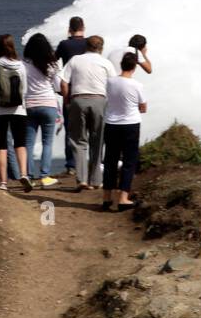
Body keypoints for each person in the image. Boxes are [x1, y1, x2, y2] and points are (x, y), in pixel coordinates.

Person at [60, 35, 116, 191]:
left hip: (78, 100)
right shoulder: (106, 63)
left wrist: (67, 101)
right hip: (99, 100)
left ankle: (81, 180)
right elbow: (113, 84)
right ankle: (96, 180)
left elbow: (63, 81)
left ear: (86, 46)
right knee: (97, 141)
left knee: (78, 140)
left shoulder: (75, 60)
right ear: (101, 48)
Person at [0, 35, 34, 192]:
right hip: (19, 110)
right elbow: (24, 90)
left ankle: (3, 182)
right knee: (20, 143)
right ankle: (24, 174)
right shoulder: (21, 66)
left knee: (1, 145)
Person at [101, 52, 146, 212]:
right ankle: (123, 198)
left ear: (121, 65)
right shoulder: (137, 85)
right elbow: (143, 107)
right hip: (131, 124)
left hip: (111, 123)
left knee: (110, 160)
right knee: (129, 161)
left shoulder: (110, 82)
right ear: (134, 67)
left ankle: (107, 198)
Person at [22, 33, 61, 187]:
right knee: (47, 143)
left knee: (28, 143)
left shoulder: (23, 65)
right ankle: (45, 176)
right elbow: (57, 86)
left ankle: (29, 176)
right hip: (49, 105)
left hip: (29, 105)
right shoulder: (52, 64)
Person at [55, 17, 89, 178]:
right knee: (87, 129)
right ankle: (87, 163)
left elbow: (53, 61)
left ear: (70, 29)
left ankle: (71, 165)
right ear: (83, 27)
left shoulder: (64, 45)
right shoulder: (89, 44)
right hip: (88, 90)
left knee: (70, 130)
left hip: (69, 91)